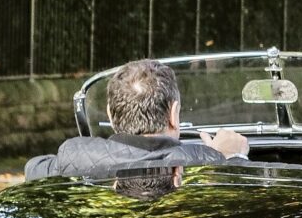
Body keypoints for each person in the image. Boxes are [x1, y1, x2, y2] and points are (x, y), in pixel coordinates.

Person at [25, 59, 252, 181]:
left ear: (111, 115)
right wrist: (231, 157)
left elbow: (34, 168)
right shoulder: (206, 160)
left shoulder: (73, 157)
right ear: (173, 114)